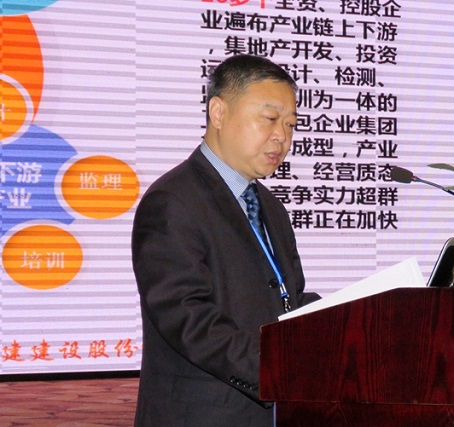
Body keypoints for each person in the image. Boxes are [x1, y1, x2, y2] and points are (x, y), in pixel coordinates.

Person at [131, 54, 321, 427]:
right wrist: (274, 368)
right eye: (269, 119)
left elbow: (287, 299)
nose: (282, 137)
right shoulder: (173, 201)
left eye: (290, 124)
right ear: (218, 113)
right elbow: (190, 319)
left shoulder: (270, 207)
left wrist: (353, 321)